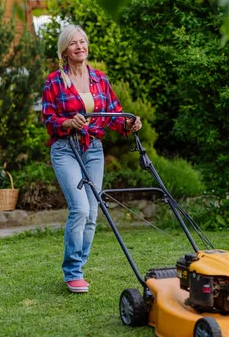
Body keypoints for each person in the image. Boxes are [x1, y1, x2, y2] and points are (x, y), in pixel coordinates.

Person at [42, 24, 142, 293]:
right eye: (74, 43)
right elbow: (49, 121)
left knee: (93, 211)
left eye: (83, 42)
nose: (80, 46)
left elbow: (113, 112)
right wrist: (67, 122)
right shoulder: (54, 81)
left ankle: (78, 268)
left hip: (93, 149)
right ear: (65, 49)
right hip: (66, 149)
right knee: (80, 209)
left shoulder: (99, 78)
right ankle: (72, 271)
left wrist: (129, 123)